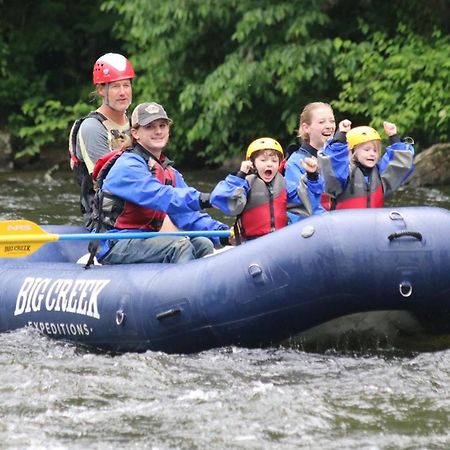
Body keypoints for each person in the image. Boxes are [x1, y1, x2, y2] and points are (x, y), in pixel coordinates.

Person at [89, 101, 229, 264]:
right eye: (150, 127)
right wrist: (206, 199)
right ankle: (182, 288)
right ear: (135, 133)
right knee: (179, 246)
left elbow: (188, 216)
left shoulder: (169, 172)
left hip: (146, 239)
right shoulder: (127, 166)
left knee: (202, 243)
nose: (158, 131)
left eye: (163, 125)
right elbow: (160, 196)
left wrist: (225, 234)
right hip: (114, 243)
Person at [210, 137, 322, 243]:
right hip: (252, 243)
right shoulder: (245, 184)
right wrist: (240, 176)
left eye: (274, 161)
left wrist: (312, 176)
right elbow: (220, 199)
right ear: (252, 164)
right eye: (263, 160)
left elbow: (309, 204)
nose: (269, 164)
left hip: (279, 242)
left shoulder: (284, 184)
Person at [71, 52, 135, 228]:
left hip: (138, 211)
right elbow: (111, 182)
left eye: (126, 85)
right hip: (105, 220)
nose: (122, 92)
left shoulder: (137, 124)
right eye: (115, 87)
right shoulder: (92, 128)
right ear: (101, 89)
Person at [317, 120, 415, 209]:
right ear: (352, 151)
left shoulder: (381, 174)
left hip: (373, 225)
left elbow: (400, 164)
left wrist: (394, 137)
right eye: (367, 150)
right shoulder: (344, 173)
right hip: (345, 225)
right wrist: (341, 135)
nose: (372, 153)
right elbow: (334, 163)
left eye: (375, 150)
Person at [283, 102, 336, 222]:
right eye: (321, 122)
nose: (329, 126)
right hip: (308, 229)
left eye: (332, 121)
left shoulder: (337, 158)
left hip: (335, 224)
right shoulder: (295, 163)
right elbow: (301, 204)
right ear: (306, 128)